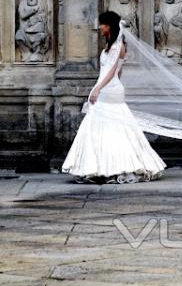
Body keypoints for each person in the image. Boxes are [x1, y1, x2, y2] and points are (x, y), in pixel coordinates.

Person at [62, 11, 167, 184]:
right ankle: (98, 166)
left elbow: (112, 71)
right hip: (109, 87)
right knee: (105, 125)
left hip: (109, 90)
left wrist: (98, 89)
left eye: (102, 24)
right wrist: (100, 87)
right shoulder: (110, 46)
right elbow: (117, 71)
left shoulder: (119, 46)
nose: (99, 27)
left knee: (107, 124)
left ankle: (109, 166)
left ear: (109, 26)